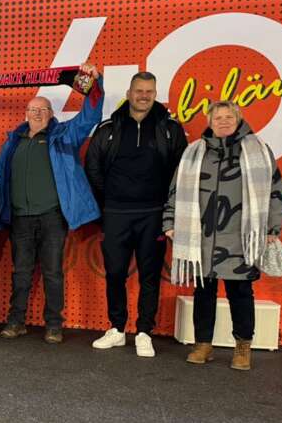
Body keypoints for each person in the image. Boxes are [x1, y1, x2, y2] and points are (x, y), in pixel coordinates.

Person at [163, 101, 282, 371]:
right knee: (203, 292)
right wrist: (170, 223)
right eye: (217, 117)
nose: (223, 121)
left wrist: (272, 228)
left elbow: (275, 191)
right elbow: (176, 190)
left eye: (229, 116)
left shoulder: (258, 150)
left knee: (240, 292)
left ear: (238, 118)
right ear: (210, 121)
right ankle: (202, 345)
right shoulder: (194, 152)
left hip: (242, 237)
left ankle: (243, 347)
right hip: (202, 238)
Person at [0, 63, 104, 344]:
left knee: (53, 272)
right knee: (21, 273)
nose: (37, 113)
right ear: (26, 114)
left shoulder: (63, 135)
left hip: (52, 217)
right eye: (33, 110)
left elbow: (90, 114)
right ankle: (15, 321)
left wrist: (94, 84)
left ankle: (54, 324)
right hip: (20, 218)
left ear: (51, 115)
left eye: (43, 110)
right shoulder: (13, 141)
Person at [85, 71, 187, 357]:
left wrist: (168, 208)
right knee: (115, 273)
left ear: (155, 94)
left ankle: (144, 331)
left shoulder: (170, 128)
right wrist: (108, 201)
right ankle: (117, 328)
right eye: (139, 90)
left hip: (154, 214)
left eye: (149, 91)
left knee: (150, 275)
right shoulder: (109, 128)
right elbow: (92, 167)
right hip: (116, 213)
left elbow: (182, 173)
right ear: (129, 93)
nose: (144, 96)